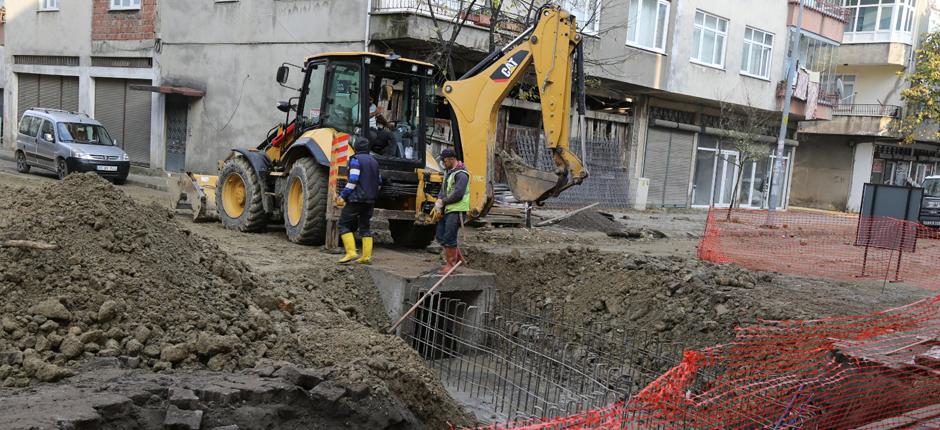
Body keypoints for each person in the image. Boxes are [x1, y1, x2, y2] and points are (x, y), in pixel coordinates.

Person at [337, 137, 382, 264]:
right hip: (370, 200)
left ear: (355, 148)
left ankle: (351, 253)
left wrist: (343, 196)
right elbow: (379, 182)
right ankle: (366, 257)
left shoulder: (356, 160)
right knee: (365, 227)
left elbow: (353, 180)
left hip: (357, 199)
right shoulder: (374, 162)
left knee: (343, 224)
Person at [435, 148, 470, 274]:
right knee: (440, 236)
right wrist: (439, 200)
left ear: (452, 159)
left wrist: (443, 201)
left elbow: (458, 194)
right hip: (448, 209)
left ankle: (451, 266)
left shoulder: (461, 174)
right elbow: (443, 190)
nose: (443, 164)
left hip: (457, 211)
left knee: (449, 237)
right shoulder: (449, 173)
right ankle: (458, 257)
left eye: (444, 161)